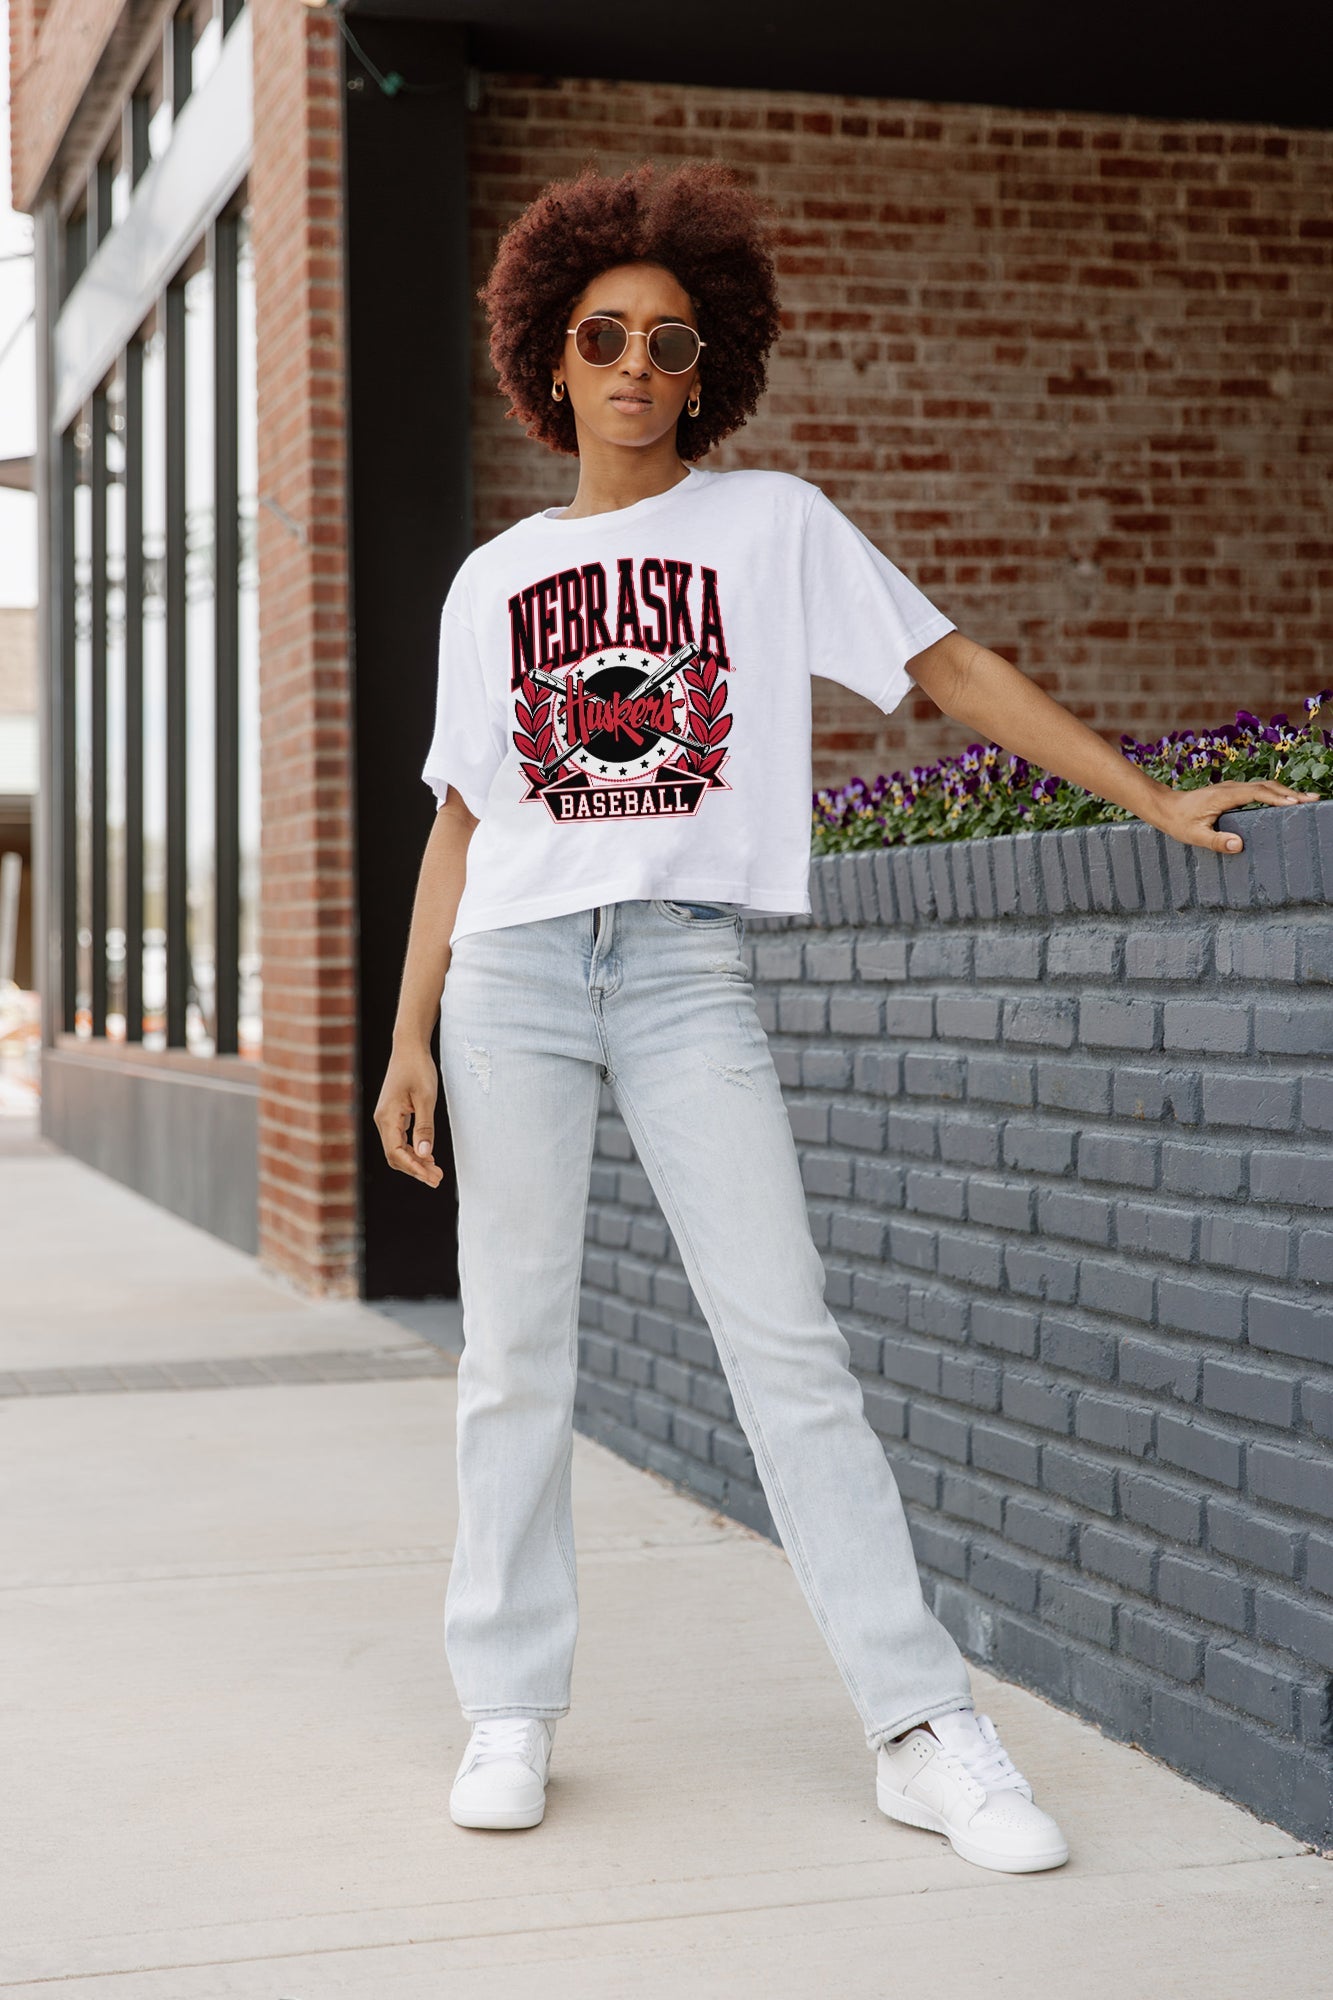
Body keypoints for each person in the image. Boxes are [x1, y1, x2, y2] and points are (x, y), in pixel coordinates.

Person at [374, 161, 1316, 1874]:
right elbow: (460, 818)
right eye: (604, 336)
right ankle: (507, 1703)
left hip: (680, 972)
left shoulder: (774, 525)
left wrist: (1147, 795)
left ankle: (915, 1725)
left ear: (706, 363)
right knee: (514, 1353)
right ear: (551, 359)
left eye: (672, 340)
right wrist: (407, 1034)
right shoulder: (492, 577)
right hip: (510, 978)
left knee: (786, 1347)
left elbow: (947, 670)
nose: (637, 367)